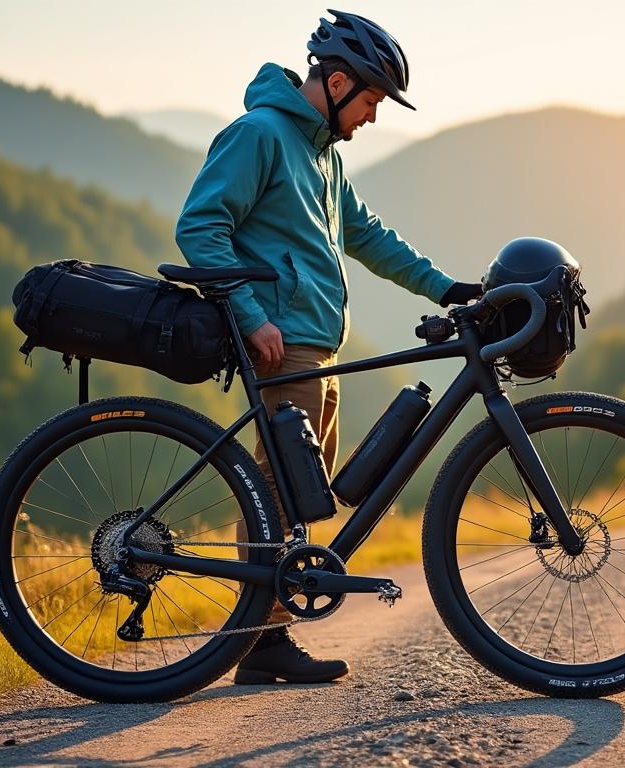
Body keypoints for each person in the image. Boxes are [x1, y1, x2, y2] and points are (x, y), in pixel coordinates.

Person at [174, 10, 483, 684]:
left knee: (302, 496)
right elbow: (200, 227)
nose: (373, 116)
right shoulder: (260, 135)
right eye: (371, 99)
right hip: (283, 346)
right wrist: (250, 316)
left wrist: (442, 287)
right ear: (337, 82)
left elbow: (366, 235)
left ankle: (268, 636)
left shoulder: (323, 155)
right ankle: (262, 642)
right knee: (277, 494)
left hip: (319, 347)